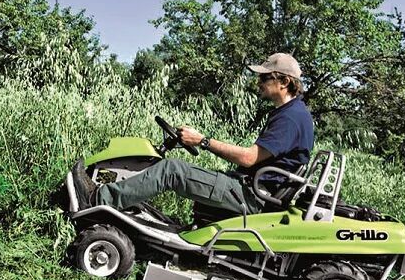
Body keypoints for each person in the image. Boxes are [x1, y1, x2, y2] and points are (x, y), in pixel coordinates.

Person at [72, 52, 315, 217]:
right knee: (179, 170)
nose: (259, 82)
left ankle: (96, 199)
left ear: (284, 82)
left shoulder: (291, 118)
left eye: (264, 77)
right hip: (252, 188)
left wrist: (202, 141)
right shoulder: (293, 113)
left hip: (251, 196)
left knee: (171, 170)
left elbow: (249, 158)